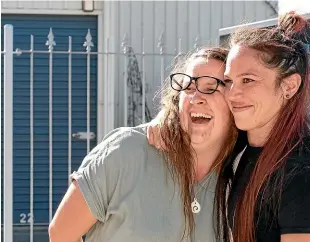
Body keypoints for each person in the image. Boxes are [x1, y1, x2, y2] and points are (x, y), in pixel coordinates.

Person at [48, 47, 237, 242]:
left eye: (211, 87)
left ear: (234, 102)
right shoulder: (126, 150)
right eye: (188, 88)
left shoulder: (243, 173)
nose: (196, 98)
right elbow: (61, 233)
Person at [213, 11, 310, 242]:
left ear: (289, 86)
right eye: (229, 81)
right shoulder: (244, 151)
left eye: (248, 80)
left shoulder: (307, 176)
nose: (232, 93)